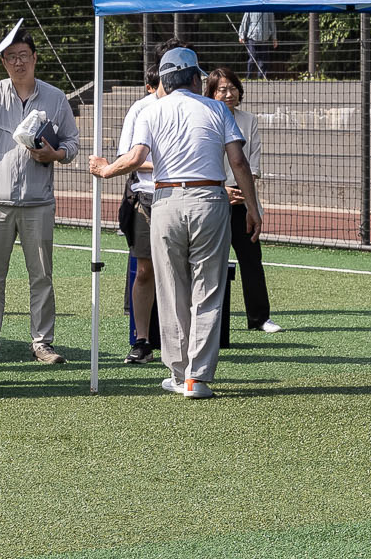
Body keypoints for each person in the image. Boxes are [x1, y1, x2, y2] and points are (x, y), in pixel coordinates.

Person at [88, 46, 260, 399]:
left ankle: (179, 373)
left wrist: (105, 169)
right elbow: (239, 163)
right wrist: (254, 207)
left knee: (170, 288)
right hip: (210, 200)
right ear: (196, 78)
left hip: (165, 201)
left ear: (164, 81)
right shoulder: (217, 109)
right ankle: (198, 377)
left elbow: (135, 158)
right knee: (208, 289)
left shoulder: (152, 110)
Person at [0, 34, 81, 365]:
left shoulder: (55, 97)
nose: (18, 62)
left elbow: (72, 143)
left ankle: (42, 343)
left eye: (24, 55)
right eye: (11, 57)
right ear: (2, 62)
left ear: (35, 57)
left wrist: (55, 154)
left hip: (38, 203)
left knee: (42, 275)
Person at [207, 68, 280, 334]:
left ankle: (259, 317)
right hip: (213, 194)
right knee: (212, 260)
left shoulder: (249, 120)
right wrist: (220, 189)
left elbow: (252, 162)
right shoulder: (205, 118)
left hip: (242, 194)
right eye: (221, 89)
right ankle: (211, 318)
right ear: (211, 93)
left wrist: (249, 202)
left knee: (251, 256)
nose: (228, 94)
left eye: (232, 88)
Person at [117, 65, 164, 365]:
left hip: (181, 197)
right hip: (146, 197)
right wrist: (163, 166)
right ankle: (142, 341)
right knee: (144, 270)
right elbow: (127, 157)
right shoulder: (141, 109)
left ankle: (182, 344)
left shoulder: (196, 107)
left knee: (182, 274)